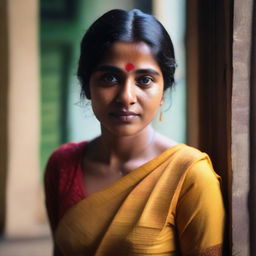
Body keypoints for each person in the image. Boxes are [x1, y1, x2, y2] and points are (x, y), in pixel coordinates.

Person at [44, 9, 225, 256]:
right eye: (110, 77)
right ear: (87, 86)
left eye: (145, 80)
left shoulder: (190, 176)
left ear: (164, 90)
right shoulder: (63, 165)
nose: (126, 97)